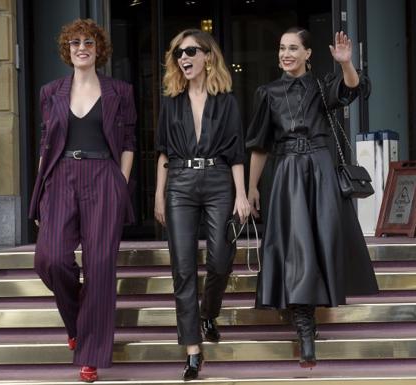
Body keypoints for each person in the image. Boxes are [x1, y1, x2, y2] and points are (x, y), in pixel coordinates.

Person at [246, 28, 379, 368]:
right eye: (281, 48)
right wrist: (251, 188)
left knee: (320, 241)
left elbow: (351, 90)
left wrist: (346, 64)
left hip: (320, 171)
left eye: (293, 48)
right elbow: (260, 145)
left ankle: (304, 314)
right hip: (288, 172)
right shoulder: (268, 92)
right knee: (296, 246)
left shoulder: (321, 86)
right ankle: (305, 326)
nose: (285, 53)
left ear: (308, 53)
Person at [28, 19, 136, 383]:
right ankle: (77, 323)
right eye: (74, 42)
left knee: (101, 267)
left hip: (104, 176)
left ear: (98, 48)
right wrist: (41, 191)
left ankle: (89, 354)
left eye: (88, 41)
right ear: (67, 49)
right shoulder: (50, 91)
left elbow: (129, 141)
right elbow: (46, 145)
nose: (81, 47)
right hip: (60, 179)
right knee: (51, 258)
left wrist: (120, 182)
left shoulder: (120, 91)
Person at [154, 28, 249, 381]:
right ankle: (193, 349)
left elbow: (237, 152)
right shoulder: (171, 102)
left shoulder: (226, 101)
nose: (185, 58)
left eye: (191, 51)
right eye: (179, 53)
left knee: (221, 258)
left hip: (219, 182)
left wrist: (241, 193)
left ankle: (209, 312)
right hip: (178, 183)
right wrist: (158, 194)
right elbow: (162, 150)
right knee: (182, 267)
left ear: (208, 56)